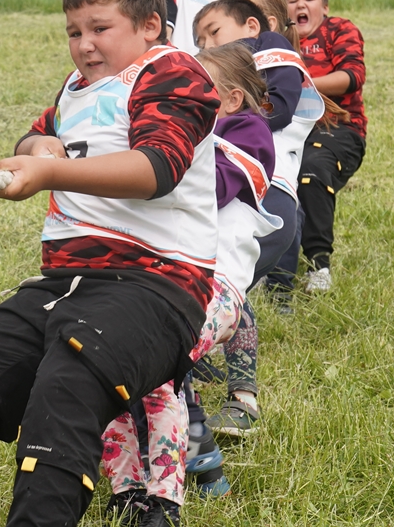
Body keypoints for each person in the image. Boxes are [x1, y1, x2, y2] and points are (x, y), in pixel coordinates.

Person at [0, 0, 220, 527]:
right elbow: (34, 137)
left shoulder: (173, 72)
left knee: (68, 383)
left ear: (149, 25)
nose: (85, 45)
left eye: (101, 28)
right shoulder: (77, 88)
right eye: (74, 32)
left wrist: (52, 173)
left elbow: (158, 167)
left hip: (156, 286)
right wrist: (38, 151)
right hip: (65, 285)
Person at [101, 42, 278, 526]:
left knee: (149, 365)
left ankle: (160, 501)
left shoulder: (248, 134)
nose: (179, 93)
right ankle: (132, 486)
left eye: (196, 85)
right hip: (158, 277)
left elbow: (202, 188)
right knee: (105, 359)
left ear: (232, 100)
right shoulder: (180, 130)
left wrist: (150, 164)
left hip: (211, 287)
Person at [192, 0, 325, 437]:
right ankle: (226, 390)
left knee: (223, 287)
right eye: (200, 39)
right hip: (260, 212)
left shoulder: (265, 66)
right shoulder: (227, 114)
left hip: (263, 208)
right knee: (229, 292)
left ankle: (237, 397)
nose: (206, 43)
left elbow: (215, 186)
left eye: (213, 32)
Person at [276, 0, 367, 294]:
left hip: (338, 129)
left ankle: (319, 264)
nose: (300, 5)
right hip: (287, 131)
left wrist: (298, 88)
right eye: (292, 1)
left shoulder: (339, 29)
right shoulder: (279, 43)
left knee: (311, 172)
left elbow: (352, 76)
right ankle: (268, 265)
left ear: (324, 7)